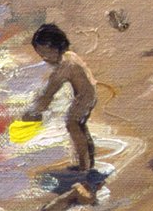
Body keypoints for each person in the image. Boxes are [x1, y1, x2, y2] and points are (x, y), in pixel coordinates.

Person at [21, 23, 98, 175]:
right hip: (87, 94)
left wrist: (35, 111)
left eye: (46, 53)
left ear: (56, 47)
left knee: (72, 123)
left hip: (85, 97)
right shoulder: (69, 57)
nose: (44, 58)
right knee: (79, 126)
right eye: (41, 55)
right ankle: (88, 161)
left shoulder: (65, 65)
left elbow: (50, 92)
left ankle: (84, 166)